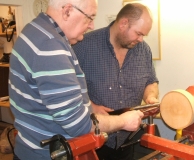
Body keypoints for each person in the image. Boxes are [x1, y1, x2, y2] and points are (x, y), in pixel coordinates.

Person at [8, 0, 144, 159]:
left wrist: (88, 107)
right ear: (67, 11)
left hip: (29, 147)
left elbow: (49, 97)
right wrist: (122, 121)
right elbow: (79, 125)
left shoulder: (34, 30)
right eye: (90, 17)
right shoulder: (51, 47)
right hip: (47, 155)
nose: (92, 25)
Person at [73, 3, 159, 160]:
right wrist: (91, 106)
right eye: (138, 33)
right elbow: (69, 89)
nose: (141, 40)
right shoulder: (83, 45)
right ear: (123, 24)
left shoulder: (144, 50)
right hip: (96, 139)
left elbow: (151, 81)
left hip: (130, 138)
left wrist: (151, 97)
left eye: (143, 36)